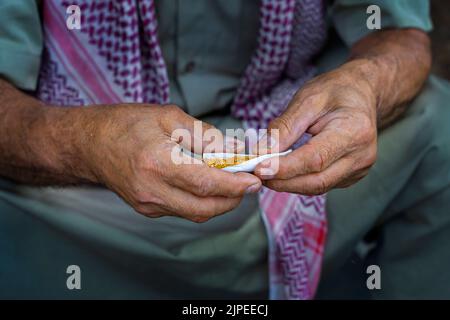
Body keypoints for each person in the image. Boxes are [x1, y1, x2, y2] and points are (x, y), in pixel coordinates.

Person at [0, 0, 449, 299]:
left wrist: (366, 84)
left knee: (437, 123)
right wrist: (87, 146)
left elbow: (398, 34)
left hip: (294, 136)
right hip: (83, 187)